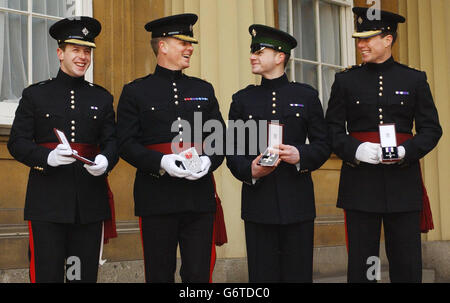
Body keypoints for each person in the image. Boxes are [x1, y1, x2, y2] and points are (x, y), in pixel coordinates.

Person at [325, 7, 442, 283]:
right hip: (360, 182)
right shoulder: (345, 80)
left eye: (368, 38)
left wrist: (406, 151)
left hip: (402, 182)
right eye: (359, 38)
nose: (360, 45)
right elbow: (331, 130)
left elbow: (431, 129)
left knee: (407, 263)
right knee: (365, 263)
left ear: (388, 39)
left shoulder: (414, 79)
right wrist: (355, 149)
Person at [116, 13, 226, 283]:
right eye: (183, 42)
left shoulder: (204, 89)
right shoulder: (135, 92)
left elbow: (220, 138)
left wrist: (207, 162)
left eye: (191, 43)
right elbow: (125, 143)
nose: (190, 48)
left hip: (198, 198)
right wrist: (160, 163)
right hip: (156, 198)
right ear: (162, 46)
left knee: (199, 274)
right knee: (159, 273)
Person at [7, 17, 118, 283]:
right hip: (47, 204)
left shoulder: (101, 97)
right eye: (76, 50)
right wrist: (47, 157)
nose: (83, 57)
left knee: (80, 275)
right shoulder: (36, 95)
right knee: (48, 275)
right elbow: (17, 142)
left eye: (87, 51)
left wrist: (105, 159)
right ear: (60, 53)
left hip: (89, 205)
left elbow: (113, 141)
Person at [226, 24, 330, 282]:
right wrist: (250, 169)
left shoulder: (305, 96)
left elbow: (324, 143)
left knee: (298, 275)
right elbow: (232, 150)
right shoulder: (242, 100)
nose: (253, 56)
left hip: (298, 203)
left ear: (280, 56)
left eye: (259, 51)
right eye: (252, 51)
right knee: (262, 277)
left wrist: (300, 155)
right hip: (258, 204)